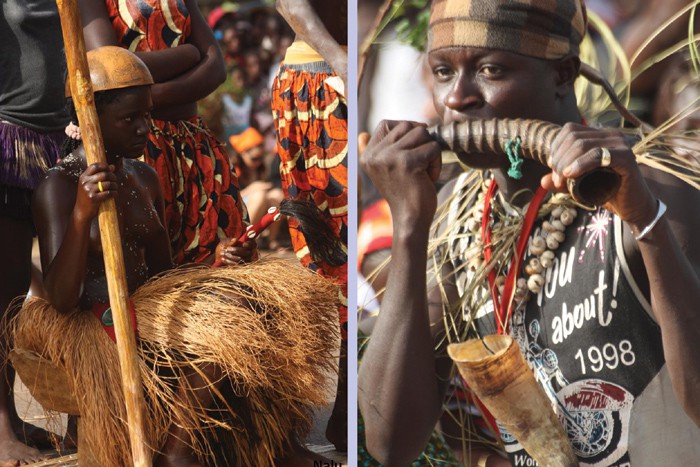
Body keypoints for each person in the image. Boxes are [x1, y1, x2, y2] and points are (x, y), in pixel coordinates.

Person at [359, 1, 700, 466]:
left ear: (563, 74)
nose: (457, 98)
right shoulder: (455, 217)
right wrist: (409, 227)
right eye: (442, 72)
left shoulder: (655, 190)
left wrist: (647, 220)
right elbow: (390, 442)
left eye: (490, 69)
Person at [12, 45, 338, 467]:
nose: (146, 128)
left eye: (147, 114)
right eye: (130, 119)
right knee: (221, 342)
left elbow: (164, 276)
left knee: (257, 309)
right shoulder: (57, 187)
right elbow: (60, 298)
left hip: (147, 308)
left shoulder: (143, 176)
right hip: (94, 322)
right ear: (89, 118)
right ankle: (176, 454)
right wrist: (81, 216)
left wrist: (218, 266)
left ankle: (277, 446)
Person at [78, 0, 250, 266]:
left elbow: (215, 68)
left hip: (193, 143)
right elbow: (113, 65)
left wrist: (143, 98)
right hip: (139, 148)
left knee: (226, 258)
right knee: (154, 267)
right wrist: (189, 54)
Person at [272, 0, 349, 451]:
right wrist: (341, 62)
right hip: (322, 81)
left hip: (344, 73)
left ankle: (342, 407)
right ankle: (305, 411)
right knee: (327, 256)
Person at [0, 0, 69, 463]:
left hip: (61, 138)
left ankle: (81, 412)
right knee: (3, 295)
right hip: (7, 139)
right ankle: (3, 427)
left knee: (64, 284)